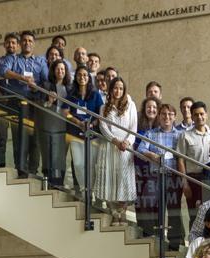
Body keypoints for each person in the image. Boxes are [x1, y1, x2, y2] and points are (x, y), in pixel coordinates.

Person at [3, 31, 48, 176]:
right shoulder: (13, 59)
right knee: (18, 137)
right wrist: (22, 78)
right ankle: (20, 168)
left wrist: (37, 86)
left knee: (35, 138)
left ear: (33, 44)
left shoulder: (40, 62)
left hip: (35, 103)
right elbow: (4, 71)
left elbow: (46, 80)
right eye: (24, 40)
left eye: (30, 41)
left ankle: (33, 170)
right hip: (17, 103)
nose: (27, 43)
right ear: (20, 43)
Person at [94, 77, 138, 225]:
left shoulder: (130, 105)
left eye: (120, 88)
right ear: (110, 89)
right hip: (109, 147)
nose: (118, 91)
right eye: (115, 88)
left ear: (124, 90)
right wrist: (115, 141)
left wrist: (127, 141)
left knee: (123, 181)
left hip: (125, 148)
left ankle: (123, 213)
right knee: (110, 181)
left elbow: (133, 128)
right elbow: (103, 128)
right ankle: (114, 213)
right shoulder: (103, 107)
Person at [137, 103, 182, 242]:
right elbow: (140, 149)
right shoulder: (151, 133)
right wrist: (153, 156)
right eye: (163, 114)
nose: (167, 117)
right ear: (159, 116)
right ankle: (155, 236)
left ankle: (175, 241)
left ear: (174, 117)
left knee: (174, 209)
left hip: (173, 177)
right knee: (151, 205)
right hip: (154, 176)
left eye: (170, 114)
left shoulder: (180, 135)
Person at [62, 65, 104, 190]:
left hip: (92, 136)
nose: (82, 77)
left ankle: (93, 190)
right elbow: (65, 112)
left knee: (92, 165)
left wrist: (91, 124)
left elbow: (101, 114)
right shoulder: (71, 95)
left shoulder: (96, 95)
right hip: (75, 134)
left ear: (89, 78)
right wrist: (78, 122)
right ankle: (84, 189)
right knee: (79, 164)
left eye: (85, 75)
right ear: (76, 78)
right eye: (79, 75)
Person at [177, 101, 210, 226]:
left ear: (206, 115)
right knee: (195, 215)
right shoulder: (185, 136)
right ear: (192, 117)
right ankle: (194, 244)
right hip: (193, 179)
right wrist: (185, 183)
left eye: (202, 114)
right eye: (196, 115)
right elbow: (180, 159)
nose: (199, 117)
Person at [35, 59, 71, 185]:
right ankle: (49, 181)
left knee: (61, 156)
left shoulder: (70, 87)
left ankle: (59, 182)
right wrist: (49, 101)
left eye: (62, 69)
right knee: (49, 153)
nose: (60, 71)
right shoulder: (46, 85)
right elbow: (40, 105)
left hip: (65, 125)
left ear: (66, 71)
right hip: (49, 124)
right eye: (57, 69)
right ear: (53, 71)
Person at [0, 33, 19, 167]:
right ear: (4, 45)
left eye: (13, 43)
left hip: (17, 103)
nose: (11, 45)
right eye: (8, 42)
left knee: (18, 136)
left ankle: (19, 166)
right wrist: (1, 96)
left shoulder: (21, 61)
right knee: (2, 136)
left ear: (18, 45)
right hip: (2, 102)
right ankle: (1, 164)